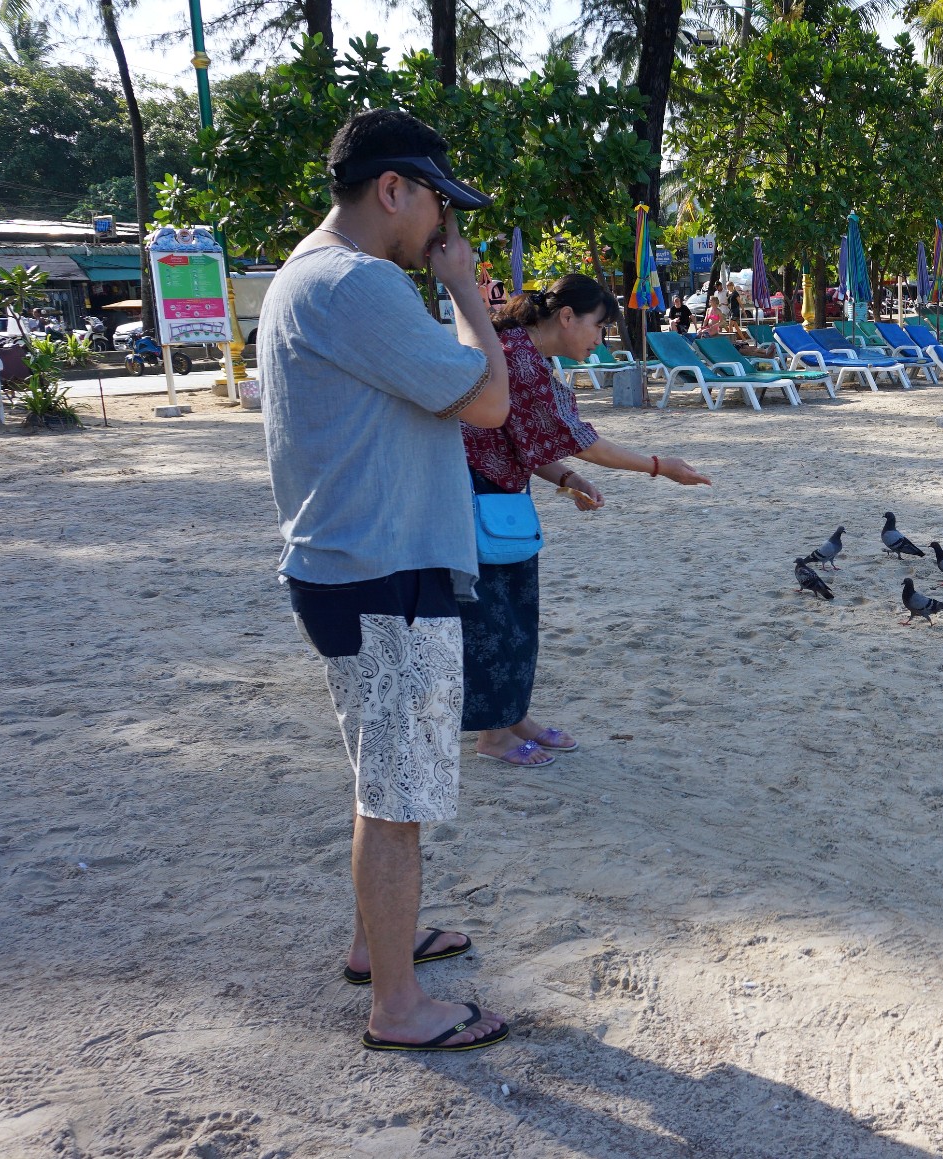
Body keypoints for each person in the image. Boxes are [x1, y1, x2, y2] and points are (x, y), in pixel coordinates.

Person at [261, 108, 513, 1052]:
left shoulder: (309, 277)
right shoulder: (358, 285)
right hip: (382, 571)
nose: (443, 225)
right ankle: (397, 1007)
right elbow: (489, 398)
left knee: (384, 775)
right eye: (436, 202)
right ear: (391, 190)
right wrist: (466, 291)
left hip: (356, 565)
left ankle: (383, 945)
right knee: (398, 794)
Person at [461, 274, 712, 768]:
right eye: (598, 326)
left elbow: (525, 442)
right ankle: (493, 735)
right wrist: (662, 467)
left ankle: (514, 719)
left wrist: (566, 479)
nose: (600, 339)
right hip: (476, 498)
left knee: (516, 616)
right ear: (567, 316)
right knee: (494, 619)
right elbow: (585, 441)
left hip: (500, 495)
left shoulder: (523, 353)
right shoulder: (519, 359)